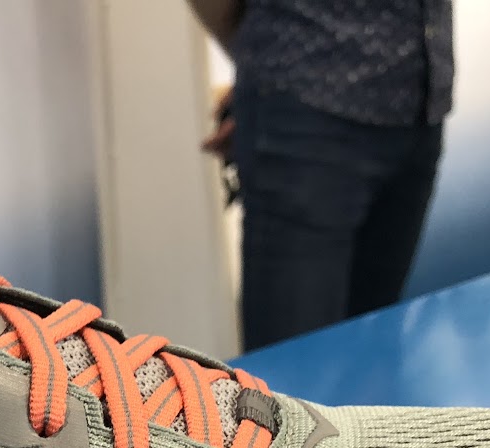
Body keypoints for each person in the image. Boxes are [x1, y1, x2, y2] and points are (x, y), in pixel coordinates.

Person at [191, 0, 453, 348]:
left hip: (419, 109)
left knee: (372, 348)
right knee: (295, 362)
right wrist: (270, 64)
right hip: (308, 108)